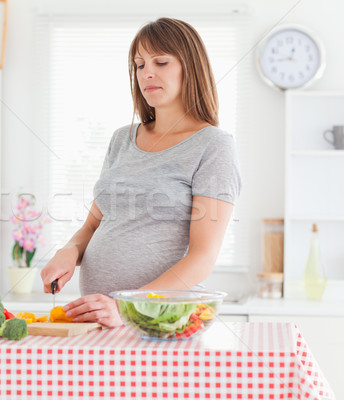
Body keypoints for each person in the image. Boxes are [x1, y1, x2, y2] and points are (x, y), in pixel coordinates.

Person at [40, 17, 241, 328]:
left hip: (161, 322)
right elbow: (95, 224)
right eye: (139, 64)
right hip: (101, 321)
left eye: (161, 62)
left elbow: (202, 257)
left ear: (191, 67)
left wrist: (128, 308)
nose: (147, 72)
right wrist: (70, 250)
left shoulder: (213, 145)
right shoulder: (123, 138)